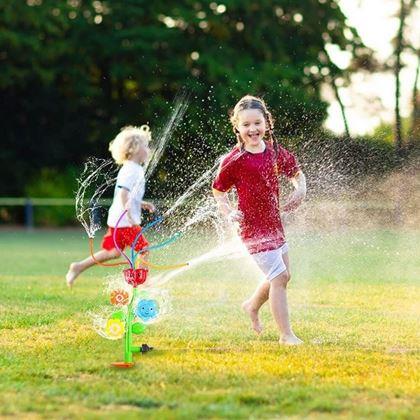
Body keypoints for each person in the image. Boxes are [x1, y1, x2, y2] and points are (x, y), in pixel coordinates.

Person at [212, 95, 306, 345]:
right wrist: (229, 211)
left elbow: (296, 173)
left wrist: (300, 189)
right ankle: (286, 335)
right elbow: (218, 191)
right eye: (246, 125)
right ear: (237, 127)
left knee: (284, 275)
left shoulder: (275, 151)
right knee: (279, 279)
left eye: (257, 123)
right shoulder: (234, 160)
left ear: (267, 123)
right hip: (251, 230)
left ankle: (252, 305)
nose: (252, 129)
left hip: (275, 225)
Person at [66, 125, 156, 288]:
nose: (148, 149)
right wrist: (128, 213)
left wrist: (142, 204)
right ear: (135, 148)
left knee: (113, 252)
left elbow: (129, 195)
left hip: (118, 219)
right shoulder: (131, 169)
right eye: (145, 145)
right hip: (125, 221)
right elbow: (123, 193)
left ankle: (78, 266)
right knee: (143, 249)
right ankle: (142, 283)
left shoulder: (133, 168)